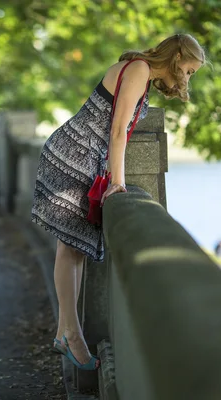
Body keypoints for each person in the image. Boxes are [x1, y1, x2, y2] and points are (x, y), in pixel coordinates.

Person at [30, 34, 205, 370]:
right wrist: (119, 181)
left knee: (74, 248)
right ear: (177, 57)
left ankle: (67, 332)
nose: (188, 77)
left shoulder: (141, 73)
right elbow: (117, 131)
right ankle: (69, 333)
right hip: (71, 157)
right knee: (69, 248)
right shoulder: (138, 69)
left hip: (79, 158)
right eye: (189, 69)